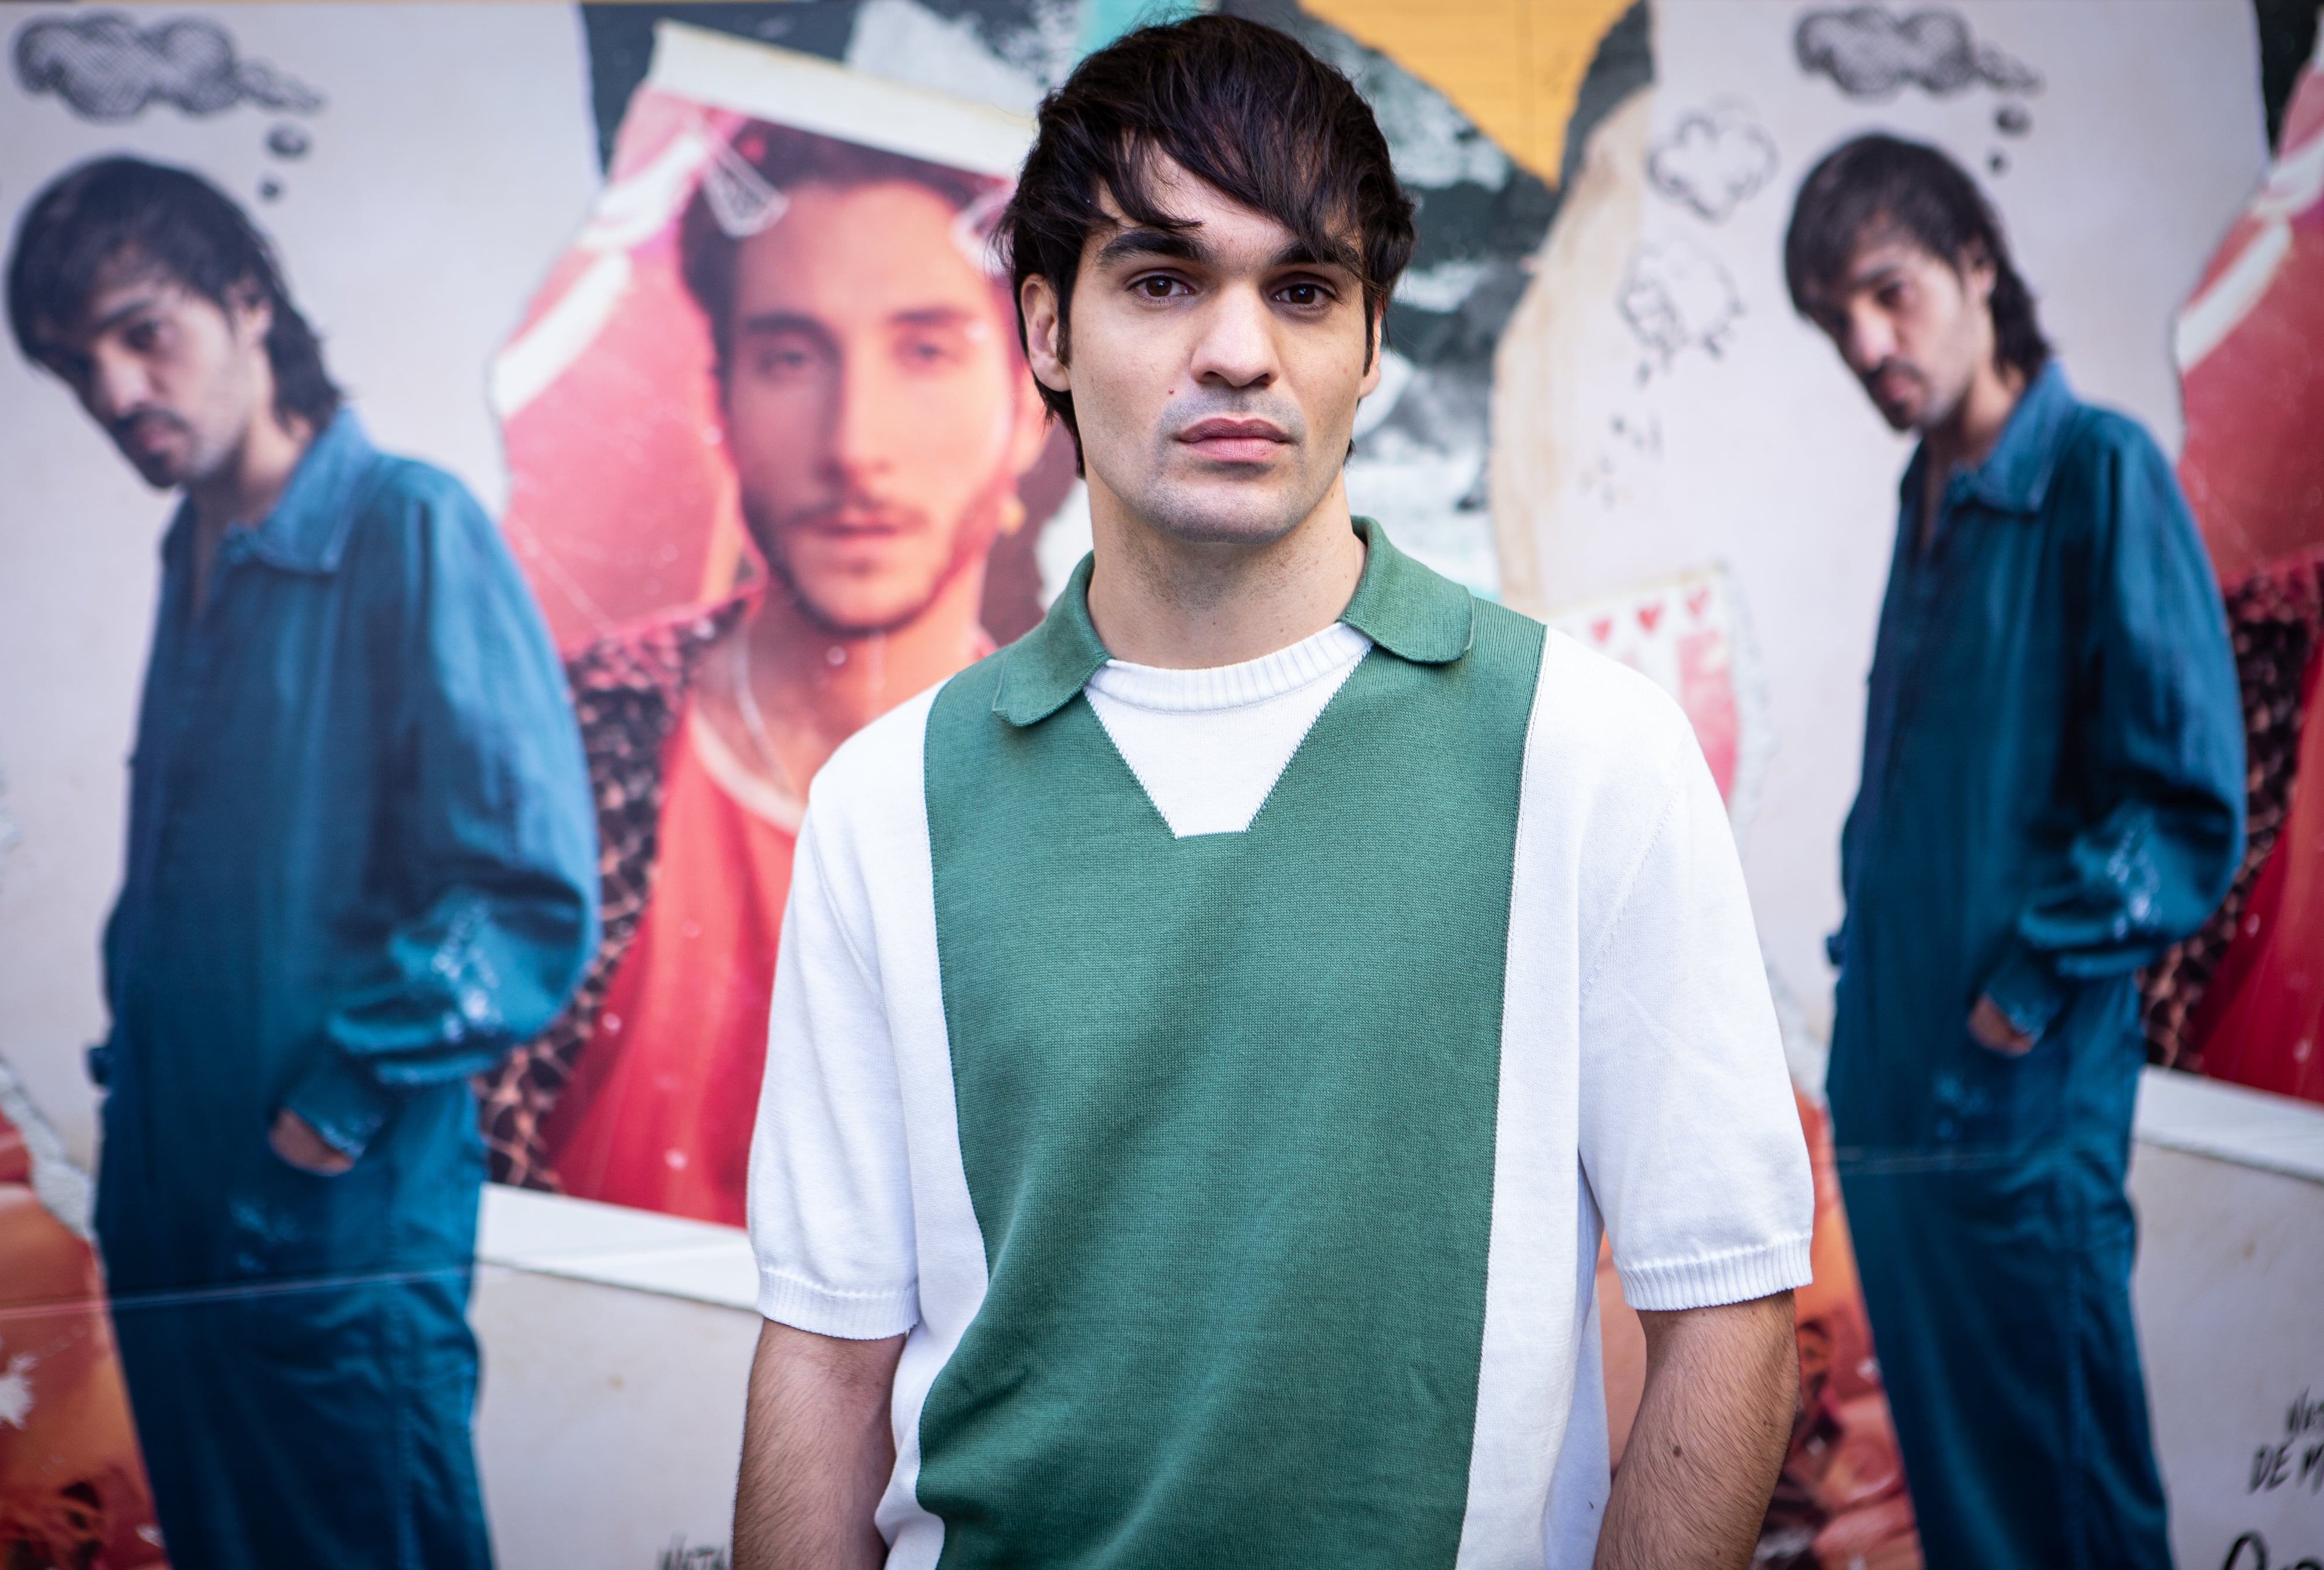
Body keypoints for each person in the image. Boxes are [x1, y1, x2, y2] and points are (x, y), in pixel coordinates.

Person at [734, 18, 1816, 1568]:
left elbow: (1725, 1307)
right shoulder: (885, 804)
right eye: (1163, 279)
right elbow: (824, 1368)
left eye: (1302, 289)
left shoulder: (1590, 755)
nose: (1238, 349)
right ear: (1043, 328)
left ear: (1369, 342)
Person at [5, 157, 599, 1569]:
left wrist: (318, 1118)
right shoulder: (191, 547)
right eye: (77, 363)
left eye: (144, 332)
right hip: (172, 1220)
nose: (115, 390)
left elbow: (526, 893)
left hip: (330, 1230)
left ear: (247, 299)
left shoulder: (409, 525)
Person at [1786, 135, 2246, 1568]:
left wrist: (2017, 991)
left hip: (2013, 1117)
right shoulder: (1923, 495)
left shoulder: (2097, 473)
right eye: (1835, 321)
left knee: (2069, 1514)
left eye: (1887, 292)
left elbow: (2183, 808)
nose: (1867, 344)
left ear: (1974, 264)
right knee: (1965, 1527)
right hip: (1890, 1116)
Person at [479, 127, 1051, 1223]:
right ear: (723, 403)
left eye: (926, 351)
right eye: (791, 357)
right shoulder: (554, 739)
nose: (854, 443)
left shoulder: (1090, 832)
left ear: (1030, 405)